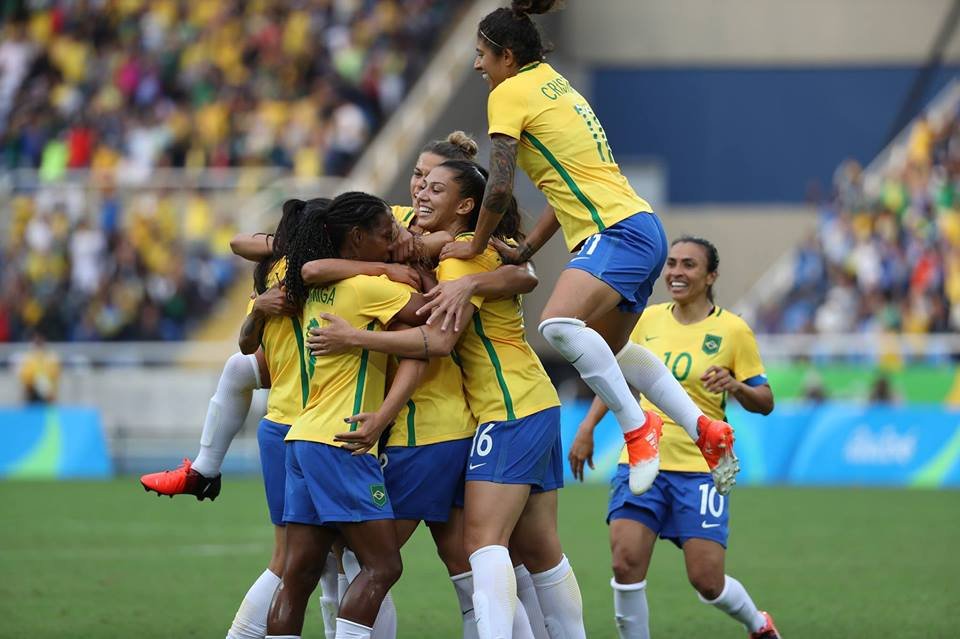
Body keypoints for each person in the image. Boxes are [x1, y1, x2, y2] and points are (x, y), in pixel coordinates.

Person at [433, 0, 737, 496]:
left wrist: (477, 245)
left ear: (507, 57)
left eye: (482, 54)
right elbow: (563, 186)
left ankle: (639, 429)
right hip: (642, 226)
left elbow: (500, 186)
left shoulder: (508, 93)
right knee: (612, 353)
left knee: (557, 325)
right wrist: (527, 246)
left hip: (616, 231)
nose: (476, 65)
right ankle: (705, 428)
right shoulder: (553, 83)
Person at [308, 161, 586, 639]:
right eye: (418, 178)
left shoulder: (460, 262)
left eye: (435, 186)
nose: (420, 191)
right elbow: (520, 271)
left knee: (475, 545)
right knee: (536, 552)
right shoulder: (452, 247)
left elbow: (436, 343)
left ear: (464, 206)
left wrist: (357, 337)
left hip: (507, 408)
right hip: (524, 403)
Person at [568, 237, 781, 639]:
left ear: (710, 276)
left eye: (689, 265)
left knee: (707, 581)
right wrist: (587, 426)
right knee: (624, 563)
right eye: (671, 264)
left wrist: (735, 385)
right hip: (642, 458)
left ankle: (758, 624)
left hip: (700, 469)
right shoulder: (646, 320)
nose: (676, 273)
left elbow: (765, 402)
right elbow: (619, 379)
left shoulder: (733, 330)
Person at [265, 192, 430, 639]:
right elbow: (432, 318)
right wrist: (422, 272)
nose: (390, 241)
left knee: (297, 576)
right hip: (343, 440)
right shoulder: (370, 289)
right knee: (383, 565)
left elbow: (312, 268)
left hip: (301, 438)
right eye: (383, 235)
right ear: (356, 238)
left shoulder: (318, 287)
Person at [17, 333, 61, 404]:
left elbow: (55, 373)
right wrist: (35, 380)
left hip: (48, 390)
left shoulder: (51, 356)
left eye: (40, 341)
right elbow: (25, 374)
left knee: (46, 387)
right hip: (32, 389)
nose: (38, 343)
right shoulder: (28, 357)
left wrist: (44, 382)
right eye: (36, 341)